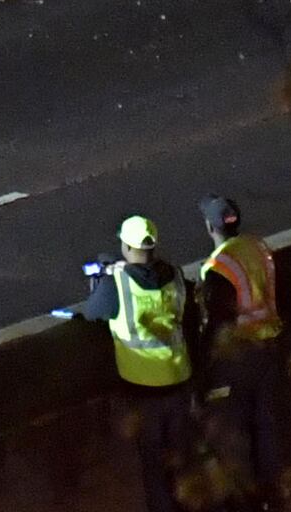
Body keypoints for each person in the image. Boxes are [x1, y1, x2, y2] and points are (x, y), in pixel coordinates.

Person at [55, 213, 197, 510]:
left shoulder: (116, 284)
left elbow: (94, 313)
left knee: (154, 462)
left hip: (143, 385)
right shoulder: (175, 275)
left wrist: (104, 279)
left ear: (127, 248)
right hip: (179, 376)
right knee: (182, 459)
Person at [195, 194, 291, 506]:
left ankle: (248, 498)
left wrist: (203, 368)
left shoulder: (219, 267)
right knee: (268, 426)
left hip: (241, 355)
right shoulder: (257, 248)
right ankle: (271, 494)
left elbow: (218, 324)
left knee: (239, 428)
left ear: (211, 227)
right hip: (270, 346)